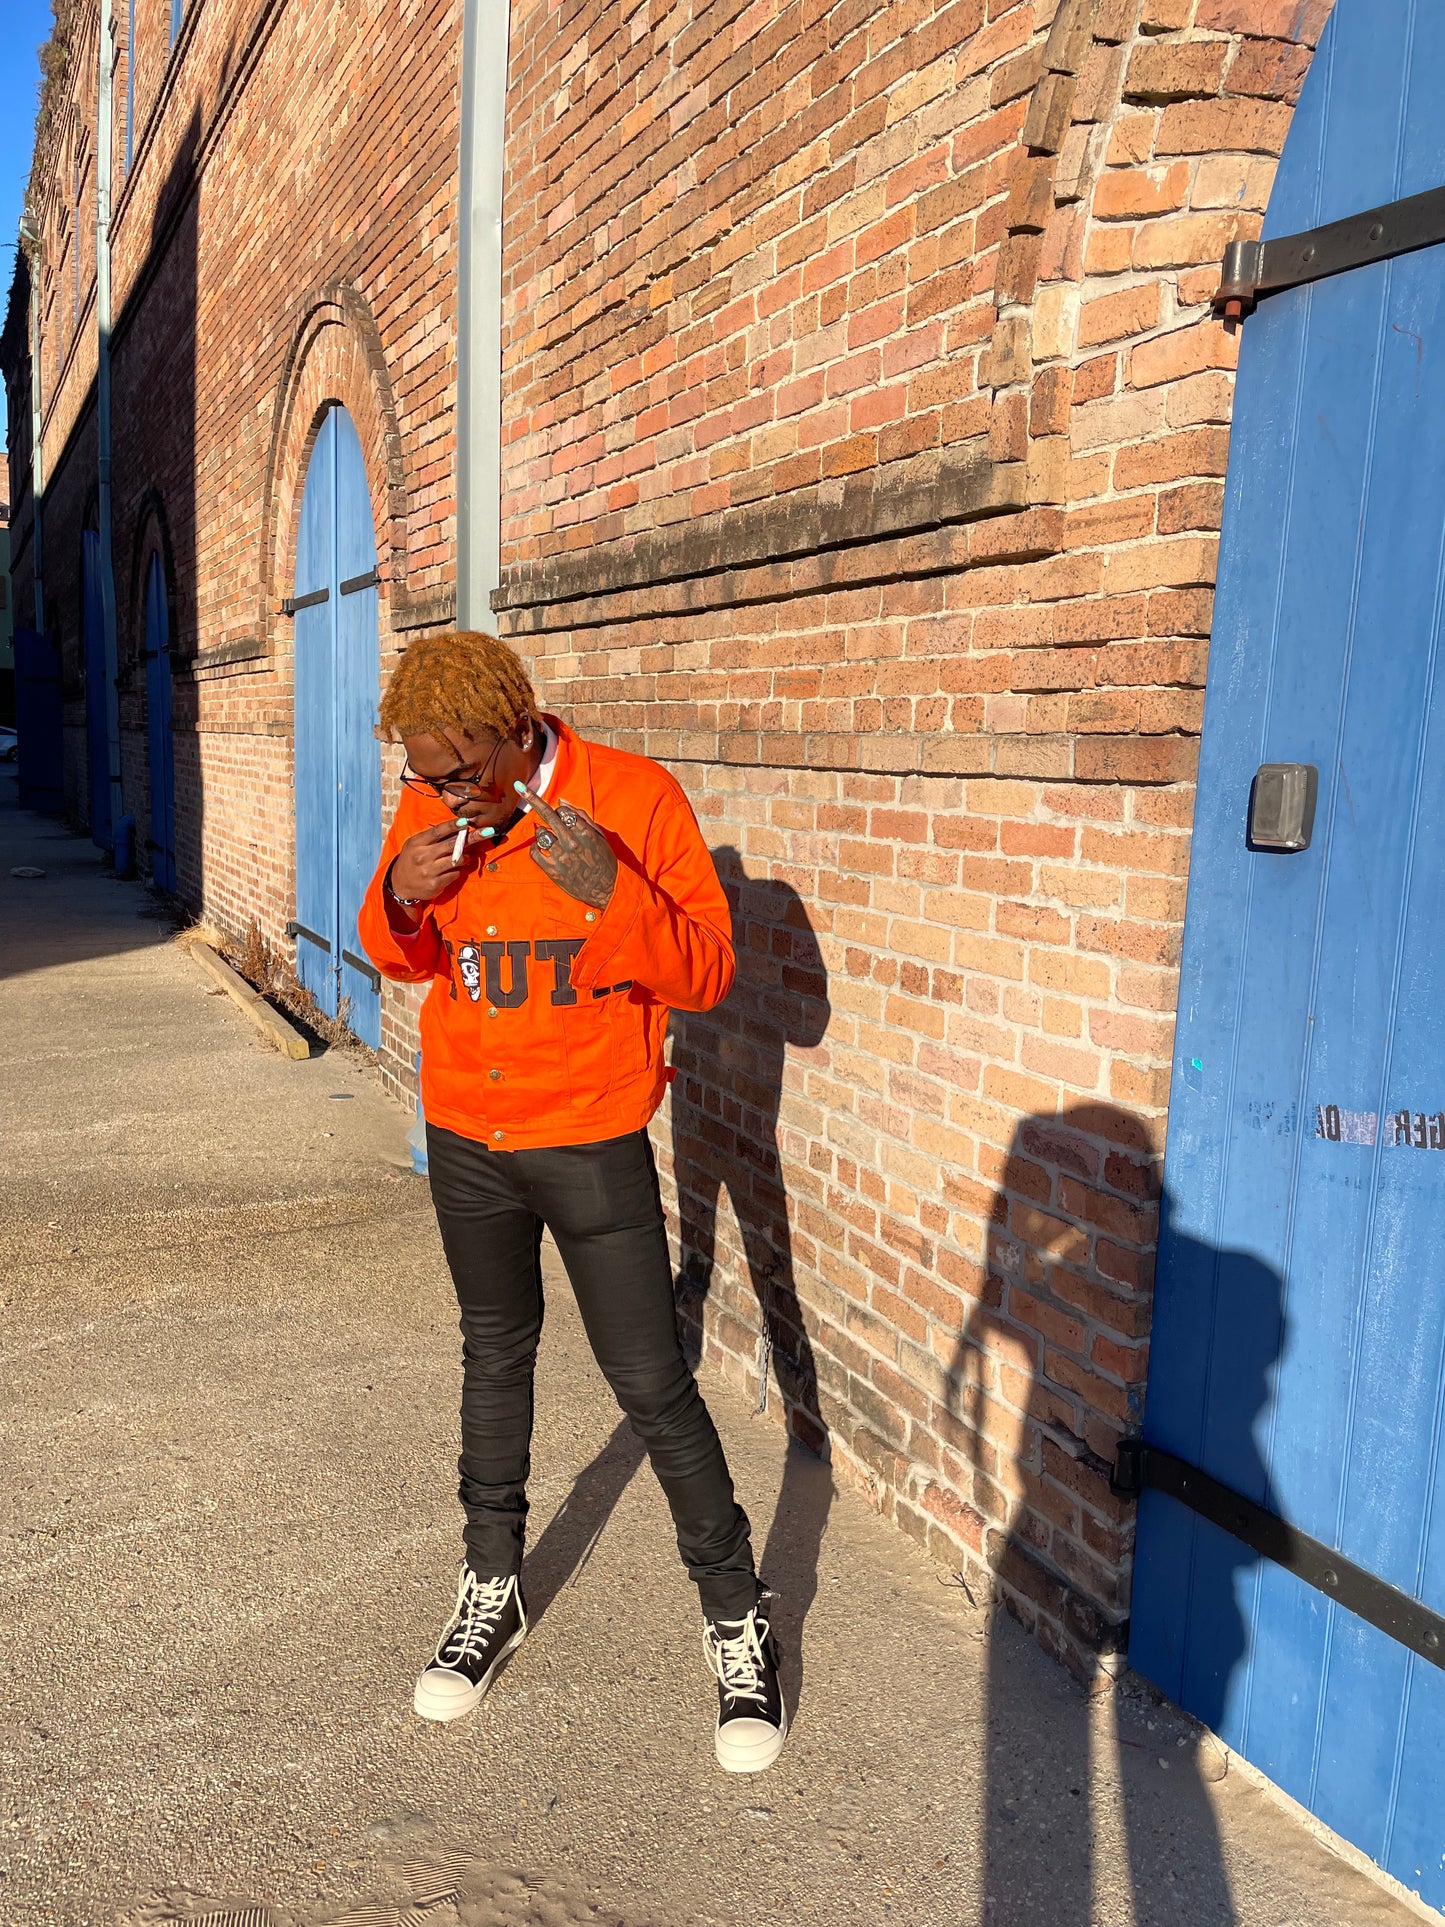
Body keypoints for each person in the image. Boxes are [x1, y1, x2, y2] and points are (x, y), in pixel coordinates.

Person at [357, 630, 786, 1774]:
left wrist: (615, 894)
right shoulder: (428, 806)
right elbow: (400, 956)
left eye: (455, 767)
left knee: (649, 1381)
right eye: (420, 771)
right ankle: (489, 1587)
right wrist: (398, 897)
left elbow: (704, 970)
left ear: (514, 728)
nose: (438, 788)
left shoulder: (632, 799)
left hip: (591, 1142)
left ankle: (737, 1619)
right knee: (492, 1354)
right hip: (468, 1141)